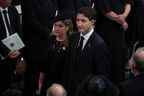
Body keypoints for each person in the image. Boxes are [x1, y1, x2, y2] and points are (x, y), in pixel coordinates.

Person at [64, 7, 111, 96]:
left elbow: (102, 76)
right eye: (77, 20)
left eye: (83, 21)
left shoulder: (99, 45)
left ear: (92, 22)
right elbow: (68, 65)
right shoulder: (73, 38)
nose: (79, 24)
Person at [94, 0, 132, 84]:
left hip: (119, 31)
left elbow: (128, 4)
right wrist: (122, 21)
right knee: (106, 60)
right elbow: (106, 12)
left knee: (119, 59)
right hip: (106, 31)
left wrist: (123, 16)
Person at [40, 13, 74, 96]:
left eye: (60, 26)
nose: (57, 28)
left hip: (62, 81)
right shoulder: (50, 39)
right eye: (55, 25)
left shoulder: (72, 43)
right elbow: (44, 62)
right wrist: (41, 79)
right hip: (48, 79)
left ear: (67, 27)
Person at [0, 0, 21, 94]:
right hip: (2, 52)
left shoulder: (13, 10)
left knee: (11, 79)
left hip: (14, 49)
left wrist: (19, 48)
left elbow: (19, 31)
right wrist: (6, 52)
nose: (10, 0)